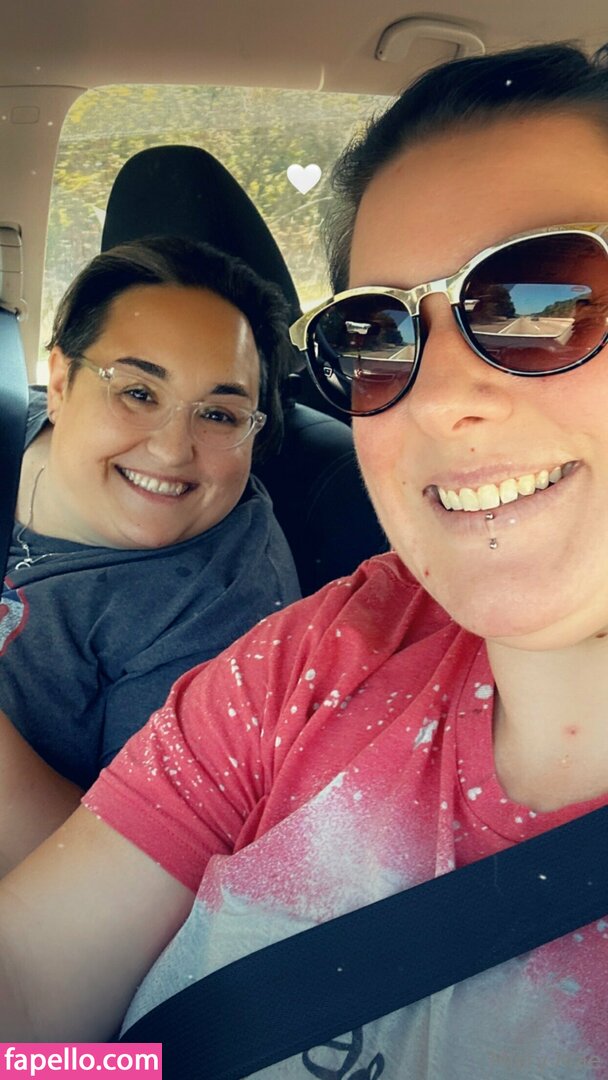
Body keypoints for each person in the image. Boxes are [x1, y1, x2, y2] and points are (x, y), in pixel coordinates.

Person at [1, 39, 608, 1077]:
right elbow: (28, 989)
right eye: (375, 337)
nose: (437, 397)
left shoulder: (224, 597)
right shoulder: (318, 660)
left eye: (544, 299)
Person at [0, 235, 300, 871]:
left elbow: (129, 886)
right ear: (61, 382)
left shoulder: (230, 609)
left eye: (219, 415)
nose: (170, 450)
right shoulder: (9, 424)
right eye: (138, 393)